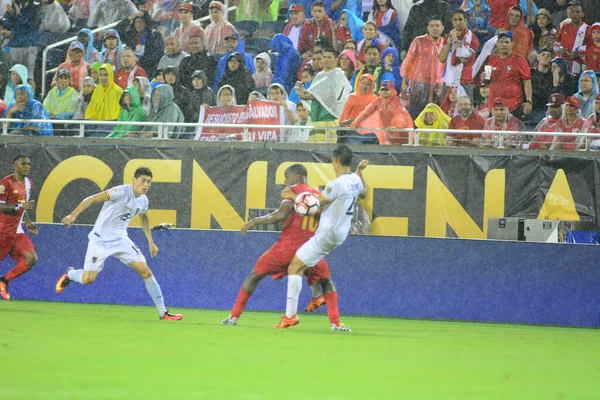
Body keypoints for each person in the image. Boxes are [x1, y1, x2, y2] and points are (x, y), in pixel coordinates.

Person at [222, 164, 347, 329]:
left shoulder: (293, 190)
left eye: (287, 177)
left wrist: (254, 221)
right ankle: (335, 324)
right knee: (327, 282)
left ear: (296, 177)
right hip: (310, 249)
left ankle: (233, 318)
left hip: (287, 248)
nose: (284, 182)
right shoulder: (319, 196)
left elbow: (281, 214)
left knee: (254, 276)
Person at [55, 167, 183, 321]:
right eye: (143, 180)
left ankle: (164, 313)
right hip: (100, 240)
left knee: (146, 271)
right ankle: (70, 273)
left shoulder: (143, 200)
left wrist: (151, 242)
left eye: (149, 182)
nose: (146, 185)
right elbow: (92, 199)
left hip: (121, 240)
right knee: (88, 279)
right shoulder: (121, 192)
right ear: (134, 180)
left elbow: (143, 218)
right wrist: (72, 215)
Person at [275, 145, 368, 330]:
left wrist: (296, 198)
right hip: (340, 233)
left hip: (327, 233)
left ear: (335, 160)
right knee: (321, 276)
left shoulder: (336, 184)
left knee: (294, 267)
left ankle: (290, 316)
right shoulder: (355, 180)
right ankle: (334, 321)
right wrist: (359, 173)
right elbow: (364, 193)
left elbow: (316, 204)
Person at [0, 155, 39, 301]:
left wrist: (27, 222)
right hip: (2, 229)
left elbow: (23, 204)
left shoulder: (28, 183)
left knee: (32, 258)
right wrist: (20, 207)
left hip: (17, 230)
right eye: (23, 164)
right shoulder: (6, 183)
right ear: (14, 166)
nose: (27, 166)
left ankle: (4, 280)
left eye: (28, 164)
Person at [299, 47, 352, 143]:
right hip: (316, 116)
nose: (326, 59)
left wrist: (311, 96)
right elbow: (313, 92)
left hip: (329, 117)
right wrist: (303, 93)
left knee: (326, 150)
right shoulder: (319, 75)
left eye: (329, 57)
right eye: (324, 57)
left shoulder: (338, 75)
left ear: (336, 60)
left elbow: (333, 97)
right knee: (313, 147)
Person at [400, 16, 445, 116]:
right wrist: (404, 82)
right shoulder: (419, 41)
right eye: (432, 26)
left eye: (437, 25)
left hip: (438, 85)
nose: (435, 28)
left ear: (442, 28)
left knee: (435, 113)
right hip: (418, 83)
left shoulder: (445, 44)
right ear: (428, 28)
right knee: (417, 111)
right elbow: (408, 62)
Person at [483, 31, 532, 120]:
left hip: (513, 105)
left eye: (507, 42)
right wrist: (484, 78)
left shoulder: (519, 59)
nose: (504, 45)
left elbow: (527, 81)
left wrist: (529, 101)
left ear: (512, 44)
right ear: (497, 44)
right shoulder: (492, 60)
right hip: (494, 106)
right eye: (501, 42)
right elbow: (487, 81)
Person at [350, 79, 414, 145]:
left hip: (401, 131)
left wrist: (395, 125)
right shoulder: (379, 101)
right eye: (382, 89)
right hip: (390, 131)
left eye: (386, 89)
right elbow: (366, 112)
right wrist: (355, 122)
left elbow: (398, 116)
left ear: (392, 90)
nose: (384, 91)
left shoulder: (395, 102)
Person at [439, 9, 479, 100]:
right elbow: (441, 58)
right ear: (452, 21)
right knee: (446, 111)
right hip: (449, 80)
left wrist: (456, 39)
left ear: (465, 20)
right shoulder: (449, 37)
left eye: (460, 19)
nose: (458, 22)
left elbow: (464, 60)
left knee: (466, 111)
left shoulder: (472, 38)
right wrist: (450, 41)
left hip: (465, 81)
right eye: (455, 20)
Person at [3, 0, 40, 90]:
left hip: (29, 45)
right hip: (15, 45)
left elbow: (29, 26)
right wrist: (11, 14)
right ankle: (15, 100)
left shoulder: (35, 7)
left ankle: (31, 100)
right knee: (15, 77)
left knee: (29, 76)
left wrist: (18, 15)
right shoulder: (14, 5)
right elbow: (7, 24)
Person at [116, 9, 164, 77]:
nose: (139, 24)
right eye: (136, 22)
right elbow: (116, 31)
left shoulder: (154, 35)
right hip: (131, 70)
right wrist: (130, 18)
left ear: (146, 23)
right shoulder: (131, 36)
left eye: (141, 22)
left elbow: (158, 54)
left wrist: (140, 60)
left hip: (149, 70)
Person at [338, 74, 378, 144]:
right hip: (349, 130)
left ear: (372, 86)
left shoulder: (375, 99)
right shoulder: (350, 97)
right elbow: (344, 115)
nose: (364, 86)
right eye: (363, 83)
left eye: (368, 84)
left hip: (367, 132)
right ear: (359, 83)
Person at [554, 2, 589, 75]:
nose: (575, 14)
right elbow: (556, 44)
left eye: (578, 12)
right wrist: (560, 49)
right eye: (573, 12)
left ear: (582, 14)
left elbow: (593, 46)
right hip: (563, 66)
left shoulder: (588, 29)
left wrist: (579, 53)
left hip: (580, 68)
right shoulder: (564, 27)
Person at [43, 69, 79, 135]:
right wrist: (51, 116)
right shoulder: (51, 93)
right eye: (61, 78)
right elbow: (45, 108)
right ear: (57, 80)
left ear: (69, 81)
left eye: (65, 78)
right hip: (50, 123)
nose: (63, 81)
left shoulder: (73, 93)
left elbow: (71, 112)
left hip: (66, 126)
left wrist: (57, 116)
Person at [530, 46, 555, 122]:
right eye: (543, 55)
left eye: (548, 56)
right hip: (532, 108)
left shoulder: (553, 75)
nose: (545, 57)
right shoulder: (530, 73)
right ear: (538, 57)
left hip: (547, 109)